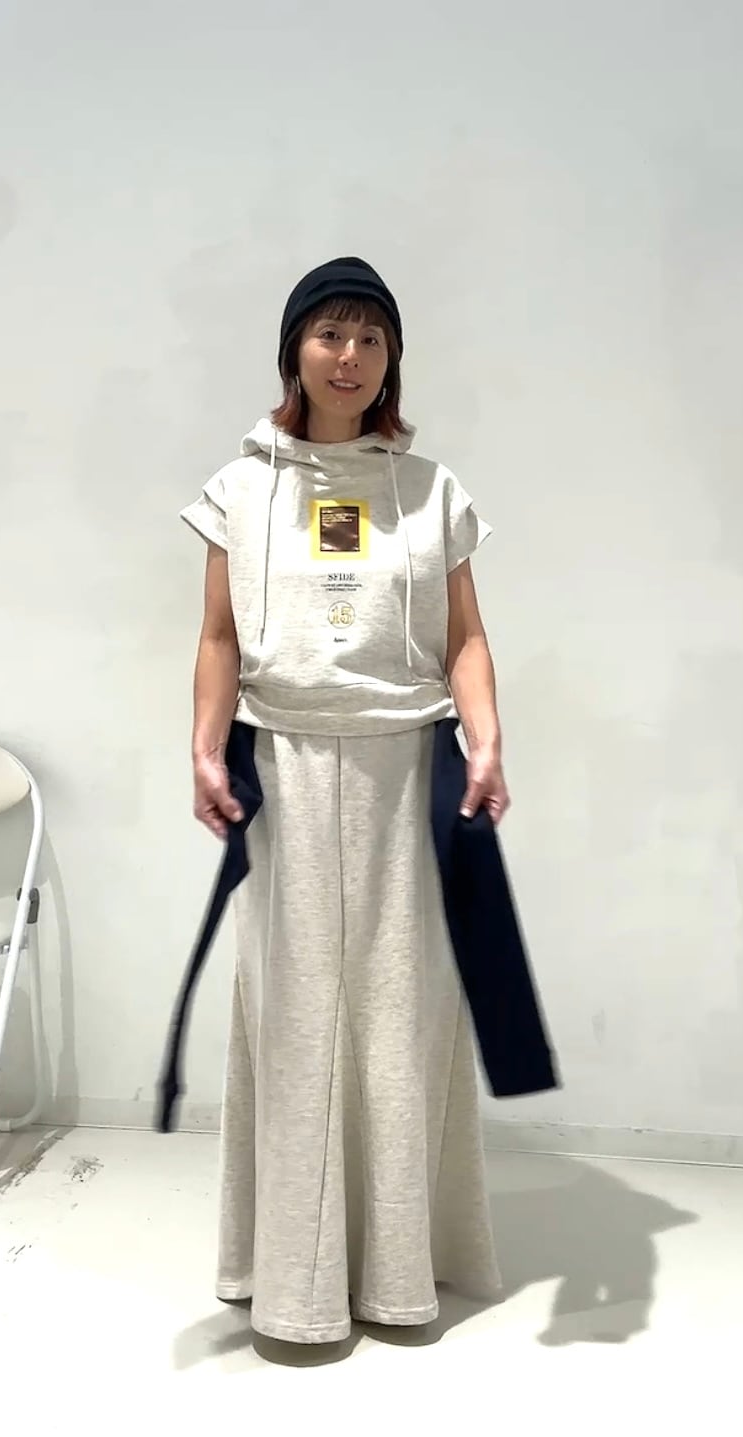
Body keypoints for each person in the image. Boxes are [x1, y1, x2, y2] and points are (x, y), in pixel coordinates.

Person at [180, 257, 509, 1345]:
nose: (350, 356)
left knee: (400, 1008)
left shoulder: (429, 490)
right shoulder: (242, 490)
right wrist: (204, 750)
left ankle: (400, 1269)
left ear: (391, 358)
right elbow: (218, 637)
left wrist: (487, 739)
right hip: (281, 765)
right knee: (293, 1011)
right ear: (295, 351)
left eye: (371, 338)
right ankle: (292, 1278)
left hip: (406, 767)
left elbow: (465, 639)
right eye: (330, 334)